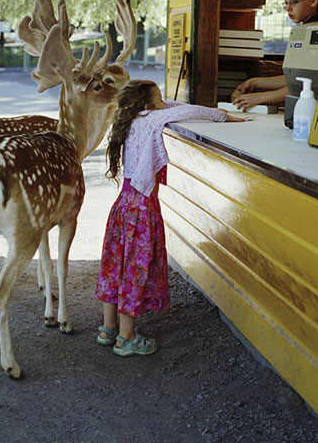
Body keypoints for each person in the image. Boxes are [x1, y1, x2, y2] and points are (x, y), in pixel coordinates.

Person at [94, 80, 245, 357]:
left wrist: (160, 102)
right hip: (142, 209)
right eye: (160, 98)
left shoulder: (135, 118)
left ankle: (108, 328)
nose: (165, 103)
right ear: (149, 106)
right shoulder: (154, 119)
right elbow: (187, 112)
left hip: (123, 204)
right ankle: (126, 338)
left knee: (115, 265)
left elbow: (176, 107)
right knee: (134, 271)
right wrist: (223, 116)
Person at [232, 0, 318, 111]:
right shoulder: (304, 31)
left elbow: (310, 84)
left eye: (294, 2)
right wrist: (254, 82)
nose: (288, 8)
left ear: (313, 1)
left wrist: (259, 98)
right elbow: (296, 79)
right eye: (286, 2)